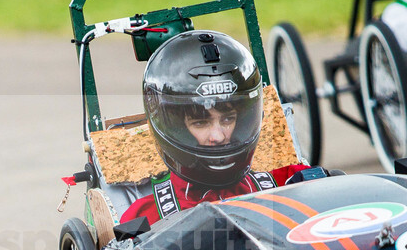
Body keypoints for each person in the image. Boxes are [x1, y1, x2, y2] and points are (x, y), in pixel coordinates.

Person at [120, 30, 308, 225]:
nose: (218, 137)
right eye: (200, 122)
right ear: (176, 127)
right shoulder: (145, 218)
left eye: (228, 119)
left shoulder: (289, 182)